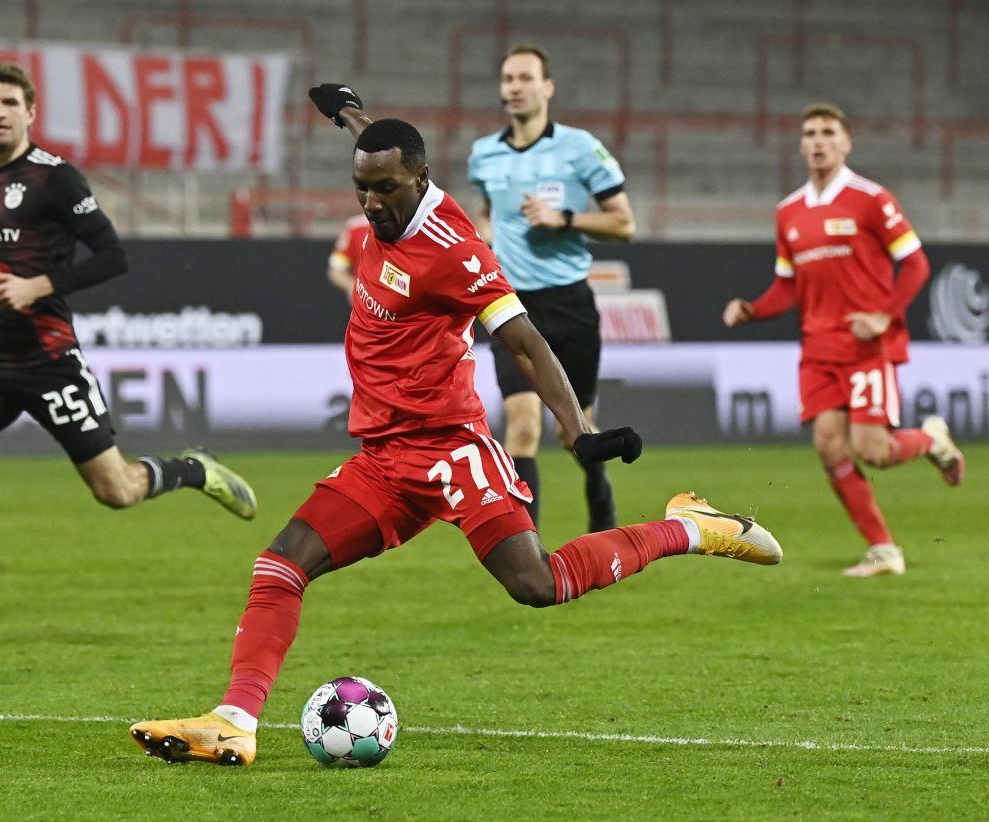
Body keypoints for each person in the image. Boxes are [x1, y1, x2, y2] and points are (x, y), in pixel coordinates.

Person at [127, 86, 781, 767]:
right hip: (382, 458)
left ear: (421, 180)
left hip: (450, 449)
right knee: (282, 562)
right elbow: (376, 139)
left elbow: (525, 340)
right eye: (361, 189)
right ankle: (235, 720)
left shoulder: (455, 252)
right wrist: (349, 110)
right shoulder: (389, 181)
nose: (373, 204)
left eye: (385, 190)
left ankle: (690, 527)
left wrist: (578, 427)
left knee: (538, 585)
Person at [0, 62, 257, 662]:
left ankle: (194, 470)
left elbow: (112, 255)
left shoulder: (56, 180)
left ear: (29, 112)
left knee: (116, 490)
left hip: (48, 361)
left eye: (8, 102)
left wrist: (39, 284)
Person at [723, 102, 965, 578]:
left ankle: (933, 440)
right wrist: (752, 309)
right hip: (817, 350)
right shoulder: (788, 212)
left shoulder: (871, 198)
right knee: (830, 447)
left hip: (865, 348)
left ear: (846, 142)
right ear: (801, 144)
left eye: (828, 132)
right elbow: (787, 286)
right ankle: (882, 549)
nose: (817, 141)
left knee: (873, 450)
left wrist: (884, 315)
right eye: (809, 132)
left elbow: (915, 264)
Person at [468, 44, 635, 534]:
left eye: (524, 78)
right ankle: (529, 550)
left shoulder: (580, 148)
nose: (514, 87)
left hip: (569, 302)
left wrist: (563, 219)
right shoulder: (484, 153)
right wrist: (484, 237)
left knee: (574, 432)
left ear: (547, 87)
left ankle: (601, 501)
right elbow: (485, 211)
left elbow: (624, 223)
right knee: (521, 427)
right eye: (507, 79)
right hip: (510, 305)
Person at [326, 213, 371, 301]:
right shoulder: (356, 227)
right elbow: (336, 270)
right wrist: (351, 286)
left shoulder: (404, 227)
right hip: (367, 304)